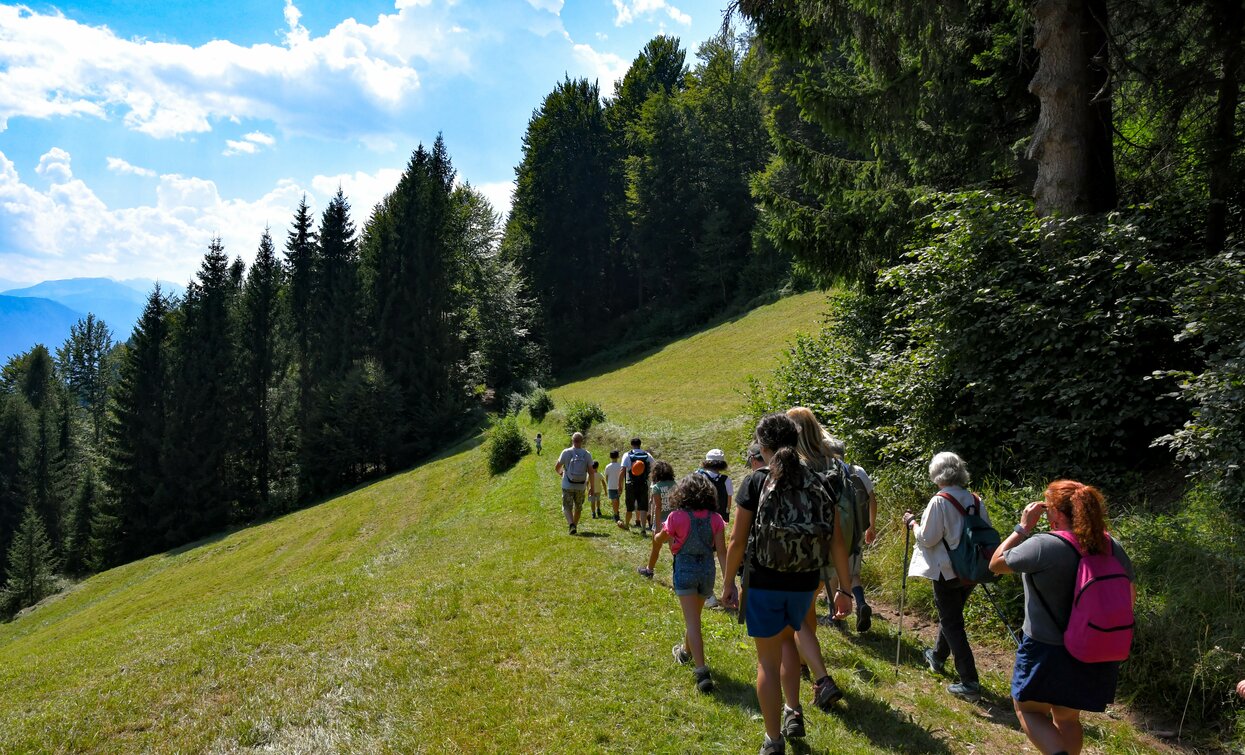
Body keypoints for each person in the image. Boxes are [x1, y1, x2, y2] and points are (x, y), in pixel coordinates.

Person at [722, 413, 854, 755]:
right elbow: (837, 540)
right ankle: (793, 711)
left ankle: (773, 739)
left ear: (763, 448)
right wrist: (844, 588)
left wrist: (727, 585)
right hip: (805, 582)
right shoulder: (822, 480)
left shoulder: (755, 481)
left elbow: (736, 541)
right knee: (789, 645)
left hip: (764, 580)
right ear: (796, 442)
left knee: (767, 660)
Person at [989, 480, 1137, 755]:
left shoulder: (1043, 545)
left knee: (1028, 710)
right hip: (1091, 649)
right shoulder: (1109, 545)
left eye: (1046, 508)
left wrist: (1022, 527)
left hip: (1046, 649)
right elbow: (1129, 595)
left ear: (1056, 512)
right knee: (1067, 718)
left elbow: (996, 563)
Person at [902, 451, 989, 701]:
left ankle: (969, 681)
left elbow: (928, 539)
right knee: (951, 616)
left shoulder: (939, 501)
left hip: (947, 570)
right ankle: (937, 657)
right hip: (971, 569)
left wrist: (912, 523)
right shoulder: (975, 499)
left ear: (936, 473)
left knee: (952, 622)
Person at [638, 474, 729, 693]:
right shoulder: (715, 518)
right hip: (706, 571)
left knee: (692, 622)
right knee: (694, 618)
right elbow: (722, 552)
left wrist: (658, 538)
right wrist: (728, 584)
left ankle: (702, 672)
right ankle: (685, 652)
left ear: (683, 494)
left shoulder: (677, 517)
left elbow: (661, 537)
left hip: (685, 570)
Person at [824, 435, 878, 633]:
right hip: (857, 529)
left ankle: (835, 615)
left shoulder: (829, 472)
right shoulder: (858, 471)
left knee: (833, 571)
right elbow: (872, 499)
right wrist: (871, 526)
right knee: (853, 572)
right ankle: (861, 603)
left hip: (838, 529)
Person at [640, 460, 678, 575]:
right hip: (673, 520)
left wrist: (656, 527)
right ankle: (680, 571)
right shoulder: (674, 484)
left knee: (656, 549)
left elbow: (658, 507)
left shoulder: (656, 487)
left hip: (661, 521)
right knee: (674, 550)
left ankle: (649, 570)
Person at [554, 432, 594, 535]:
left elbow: (557, 467)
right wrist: (592, 487)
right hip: (581, 486)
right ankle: (574, 525)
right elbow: (591, 472)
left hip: (567, 484)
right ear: (582, 441)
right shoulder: (587, 454)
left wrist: (561, 473)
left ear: (572, 440)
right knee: (578, 507)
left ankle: (571, 524)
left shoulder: (566, 452)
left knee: (567, 506)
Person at [618, 438, 654, 533]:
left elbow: (622, 471)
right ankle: (643, 529)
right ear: (640, 444)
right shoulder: (647, 455)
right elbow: (655, 467)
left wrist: (620, 485)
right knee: (643, 507)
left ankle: (626, 524)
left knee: (629, 507)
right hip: (644, 484)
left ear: (631, 445)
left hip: (630, 484)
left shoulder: (627, 455)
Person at [696, 449, 734, 523]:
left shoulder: (699, 476)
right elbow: (729, 500)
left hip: (702, 515)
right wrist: (727, 513)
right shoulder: (726, 480)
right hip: (719, 517)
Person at [605, 450, 624, 523]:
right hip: (619, 486)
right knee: (617, 500)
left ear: (610, 457)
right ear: (618, 457)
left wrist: (608, 483)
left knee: (614, 501)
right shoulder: (620, 466)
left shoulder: (608, 466)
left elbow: (606, 476)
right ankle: (616, 512)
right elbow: (622, 477)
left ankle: (616, 514)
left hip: (611, 486)